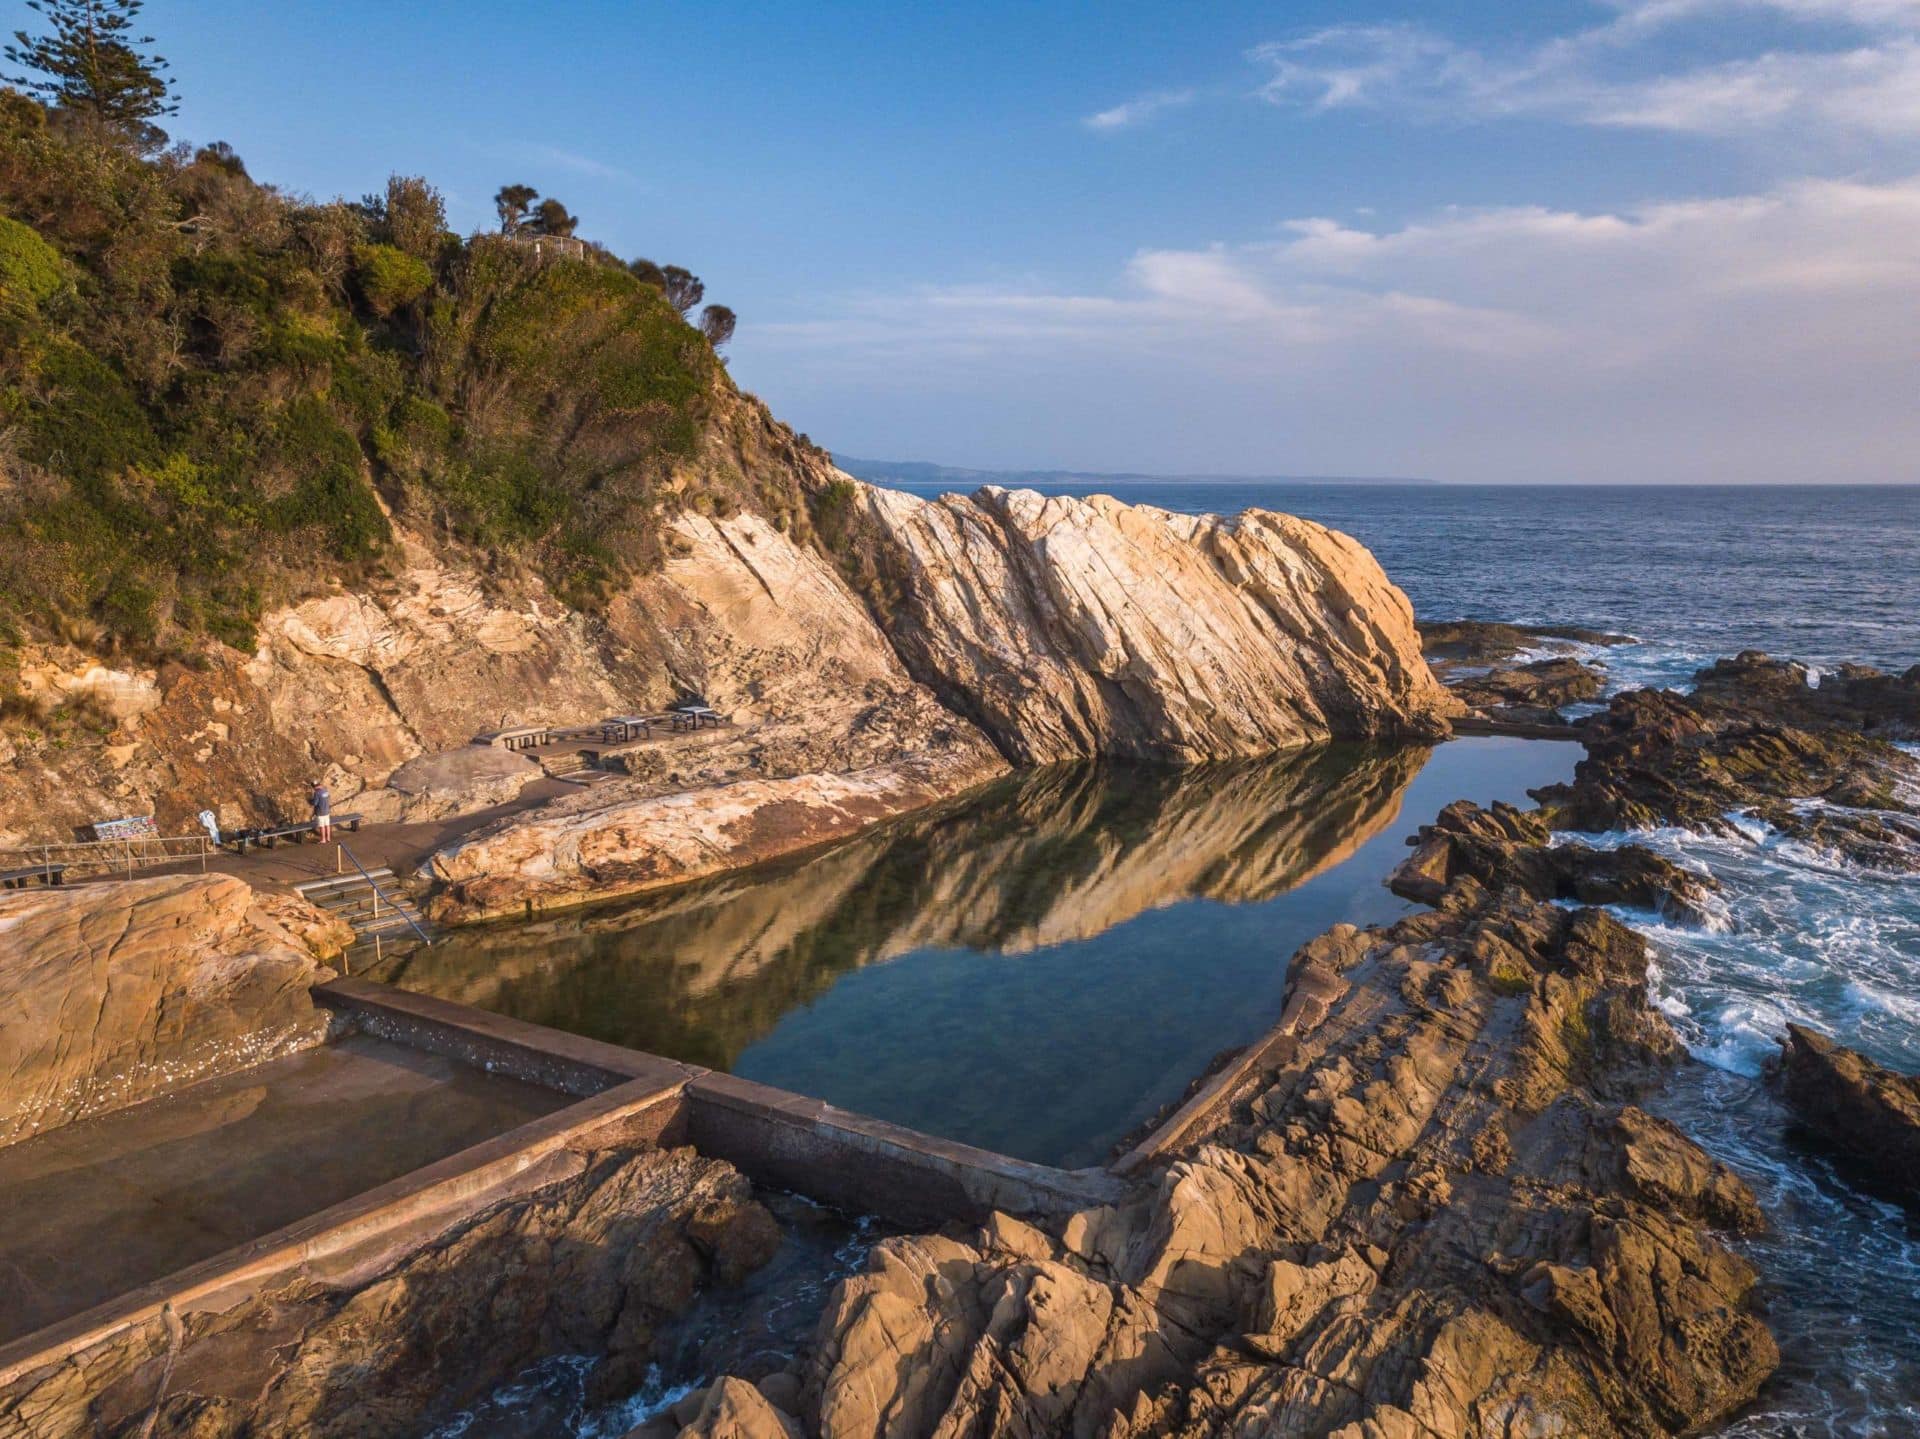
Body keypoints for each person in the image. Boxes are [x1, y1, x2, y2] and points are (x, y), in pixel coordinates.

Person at [309, 779, 332, 843]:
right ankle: (328, 838)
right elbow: (328, 797)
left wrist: (310, 801)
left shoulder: (317, 793)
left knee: (322, 826)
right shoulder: (325, 790)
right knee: (327, 825)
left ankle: (323, 839)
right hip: (327, 811)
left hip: (320, 812)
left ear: (314, 786)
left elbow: (315, 803)